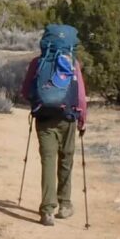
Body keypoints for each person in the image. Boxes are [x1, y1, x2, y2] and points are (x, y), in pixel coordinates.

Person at [20, 26, 87, 227]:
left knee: (48, 162)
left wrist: (39, 101)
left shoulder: (37, 62)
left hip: (45, 119)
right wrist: (82, 118)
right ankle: (65, 205)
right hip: (68, 117)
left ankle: (47, 210)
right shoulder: (73, 63)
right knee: (66, 159)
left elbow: (25, 92)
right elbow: (81, 95)